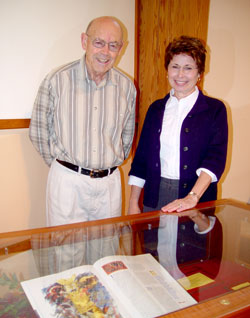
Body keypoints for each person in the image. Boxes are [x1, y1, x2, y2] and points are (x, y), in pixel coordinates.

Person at [29, 16, 137, 226]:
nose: (105, 52)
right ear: (84, 41)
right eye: (98, 43)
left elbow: (126, 136)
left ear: (121, 48)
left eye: (113, 45)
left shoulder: (127, 87)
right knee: (66, 252)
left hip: (109, 185)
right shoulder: (57, 80)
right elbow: (38, 131)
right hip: (68, 184)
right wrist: (64, 166)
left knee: (106, 251)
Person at [128, 35, 228, 214]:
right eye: (175, 67)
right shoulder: (156, 109)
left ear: (199, 73)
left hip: (196, 196)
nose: (180, 74)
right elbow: (141, 159)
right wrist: (133, 203)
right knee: (152, 242)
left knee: (193, 242)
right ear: (167, 70)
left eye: (188, 68)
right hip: (155, 195)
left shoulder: (215, 109)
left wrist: (192, 197)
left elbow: (215, 159)